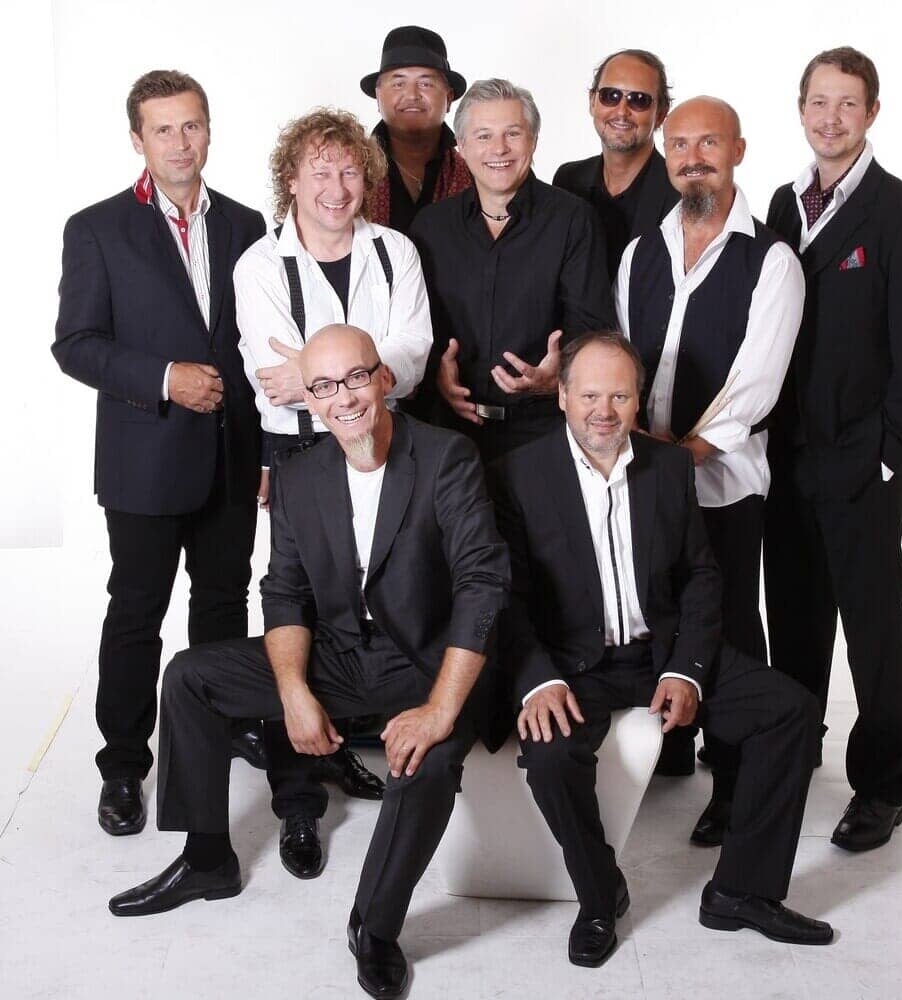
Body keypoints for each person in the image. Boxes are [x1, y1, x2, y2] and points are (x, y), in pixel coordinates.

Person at [109, 325, 510, 1000]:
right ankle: (207, 858)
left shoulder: (447, 457)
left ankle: (375, 929)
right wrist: (293, 691)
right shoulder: (299, 475)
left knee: (428, 761)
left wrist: (441, 709)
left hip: (429, 663)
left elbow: (482, 583)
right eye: (323, 386)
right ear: (311, 401)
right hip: (345, 654)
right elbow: (285, 591)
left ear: (384, 379)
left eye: (355, 378)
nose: (343, 398)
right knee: (189, 677)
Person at [489, 331, 832, 967]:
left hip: (662, 651)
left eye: (620, 396)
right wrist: (538, 678)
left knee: (791, 711)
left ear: (637, 400)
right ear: (561, 396)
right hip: (573, 665)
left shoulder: (668, 466)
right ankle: (599, 895)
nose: (604, 411)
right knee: (551, 756)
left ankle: (741, 891)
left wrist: (687, 671)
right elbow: (505, 596)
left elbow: (701, 575)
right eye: (589, 395)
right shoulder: (517, 475)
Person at [52, 69, 267, 837]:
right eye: (164, 129)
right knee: (137, 613)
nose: (181, 142)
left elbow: (259, 342)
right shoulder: (98, 229)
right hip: (144, 460)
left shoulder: (247, 225)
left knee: (224, 605)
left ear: (209, 130)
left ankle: (217, 733)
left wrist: (266, 452)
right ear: (137, 139)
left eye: (192, 125)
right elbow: (76, 344)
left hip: (232, 457)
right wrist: (165, 378)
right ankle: (122, 765)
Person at [234, 108, 434, 868]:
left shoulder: (395, 251)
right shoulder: (261, 264)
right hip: (300, 452)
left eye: (350, 170)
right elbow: (274, 377)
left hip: (388, 445)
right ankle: (296, 799)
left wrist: (322, 375)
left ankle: (342, 741)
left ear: (367, 178)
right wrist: (366, 373)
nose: (336, 186)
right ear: (291, 180)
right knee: (299, 605)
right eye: (319, 170)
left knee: (370, 596)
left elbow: (414, 351)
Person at [763, 47, 902, 852]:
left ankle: (880, 786)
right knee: (794, 617)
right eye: (818, 102)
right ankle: (794, 743)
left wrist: (891, 456)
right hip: (786, 456)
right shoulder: (783, 202)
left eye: (847, 103)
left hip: (862, 459)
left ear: (871, 112)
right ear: (800, 109)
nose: (830, 118)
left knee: (872, 629)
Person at [616, 97, 804, 841]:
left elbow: (756, 388)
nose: (693, 159)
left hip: (723, 484)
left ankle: (735, 778)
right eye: (680, 145)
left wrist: (678, 459)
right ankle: (669, 746)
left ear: (739, 151)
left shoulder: (772, 261)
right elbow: (621, 360)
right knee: (658, 610)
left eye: (709, 144)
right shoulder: (640, 253)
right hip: (645, 475)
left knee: (727, 624)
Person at [409, 78, 615, 461]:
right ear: (461, 146)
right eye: (483, 136)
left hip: (544, 434)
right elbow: (414, 325)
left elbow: (592, 327)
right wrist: (436, 370)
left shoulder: (573, 220)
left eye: (513, 133)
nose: (499, 149)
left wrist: (559, 374)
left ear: (533, 140)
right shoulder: (430, 227)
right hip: (448, 434)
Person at [553, 49, 678, 280]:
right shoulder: (567, 180)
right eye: (610, 96)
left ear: (661, 114)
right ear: (592, 102)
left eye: (639, 100)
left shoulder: (680, 194)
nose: (621, 111)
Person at [361, 25, 472, 232]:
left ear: (448, 98)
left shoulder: (477, 171)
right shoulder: (351, 171)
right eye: (398, 84)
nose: (412, 95)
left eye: (425, 84)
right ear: (378, 97)